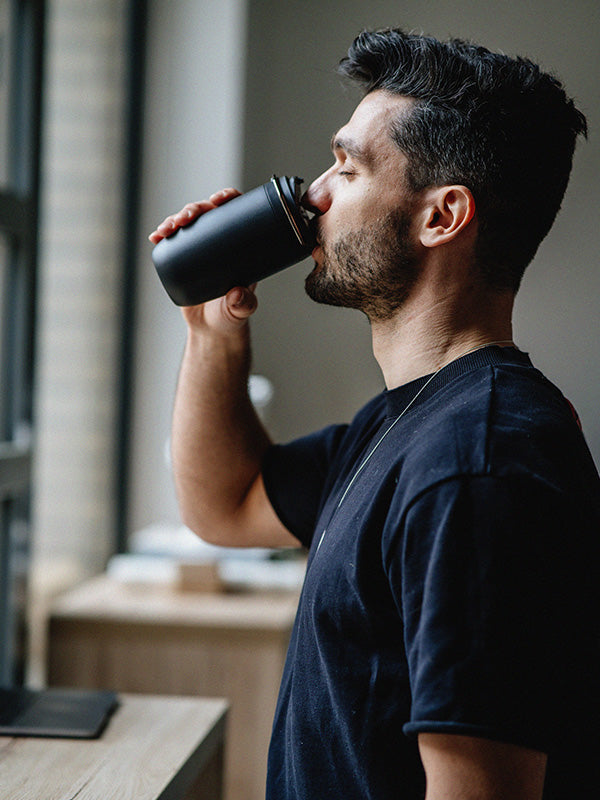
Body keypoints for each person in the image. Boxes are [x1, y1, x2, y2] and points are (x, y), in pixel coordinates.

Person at [149, 28, 600, 800]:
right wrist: (214, 330)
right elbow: (224, 505)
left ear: (442, 216)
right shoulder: (406, 423)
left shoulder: (476, 467)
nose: (314, 193)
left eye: (348, 167)